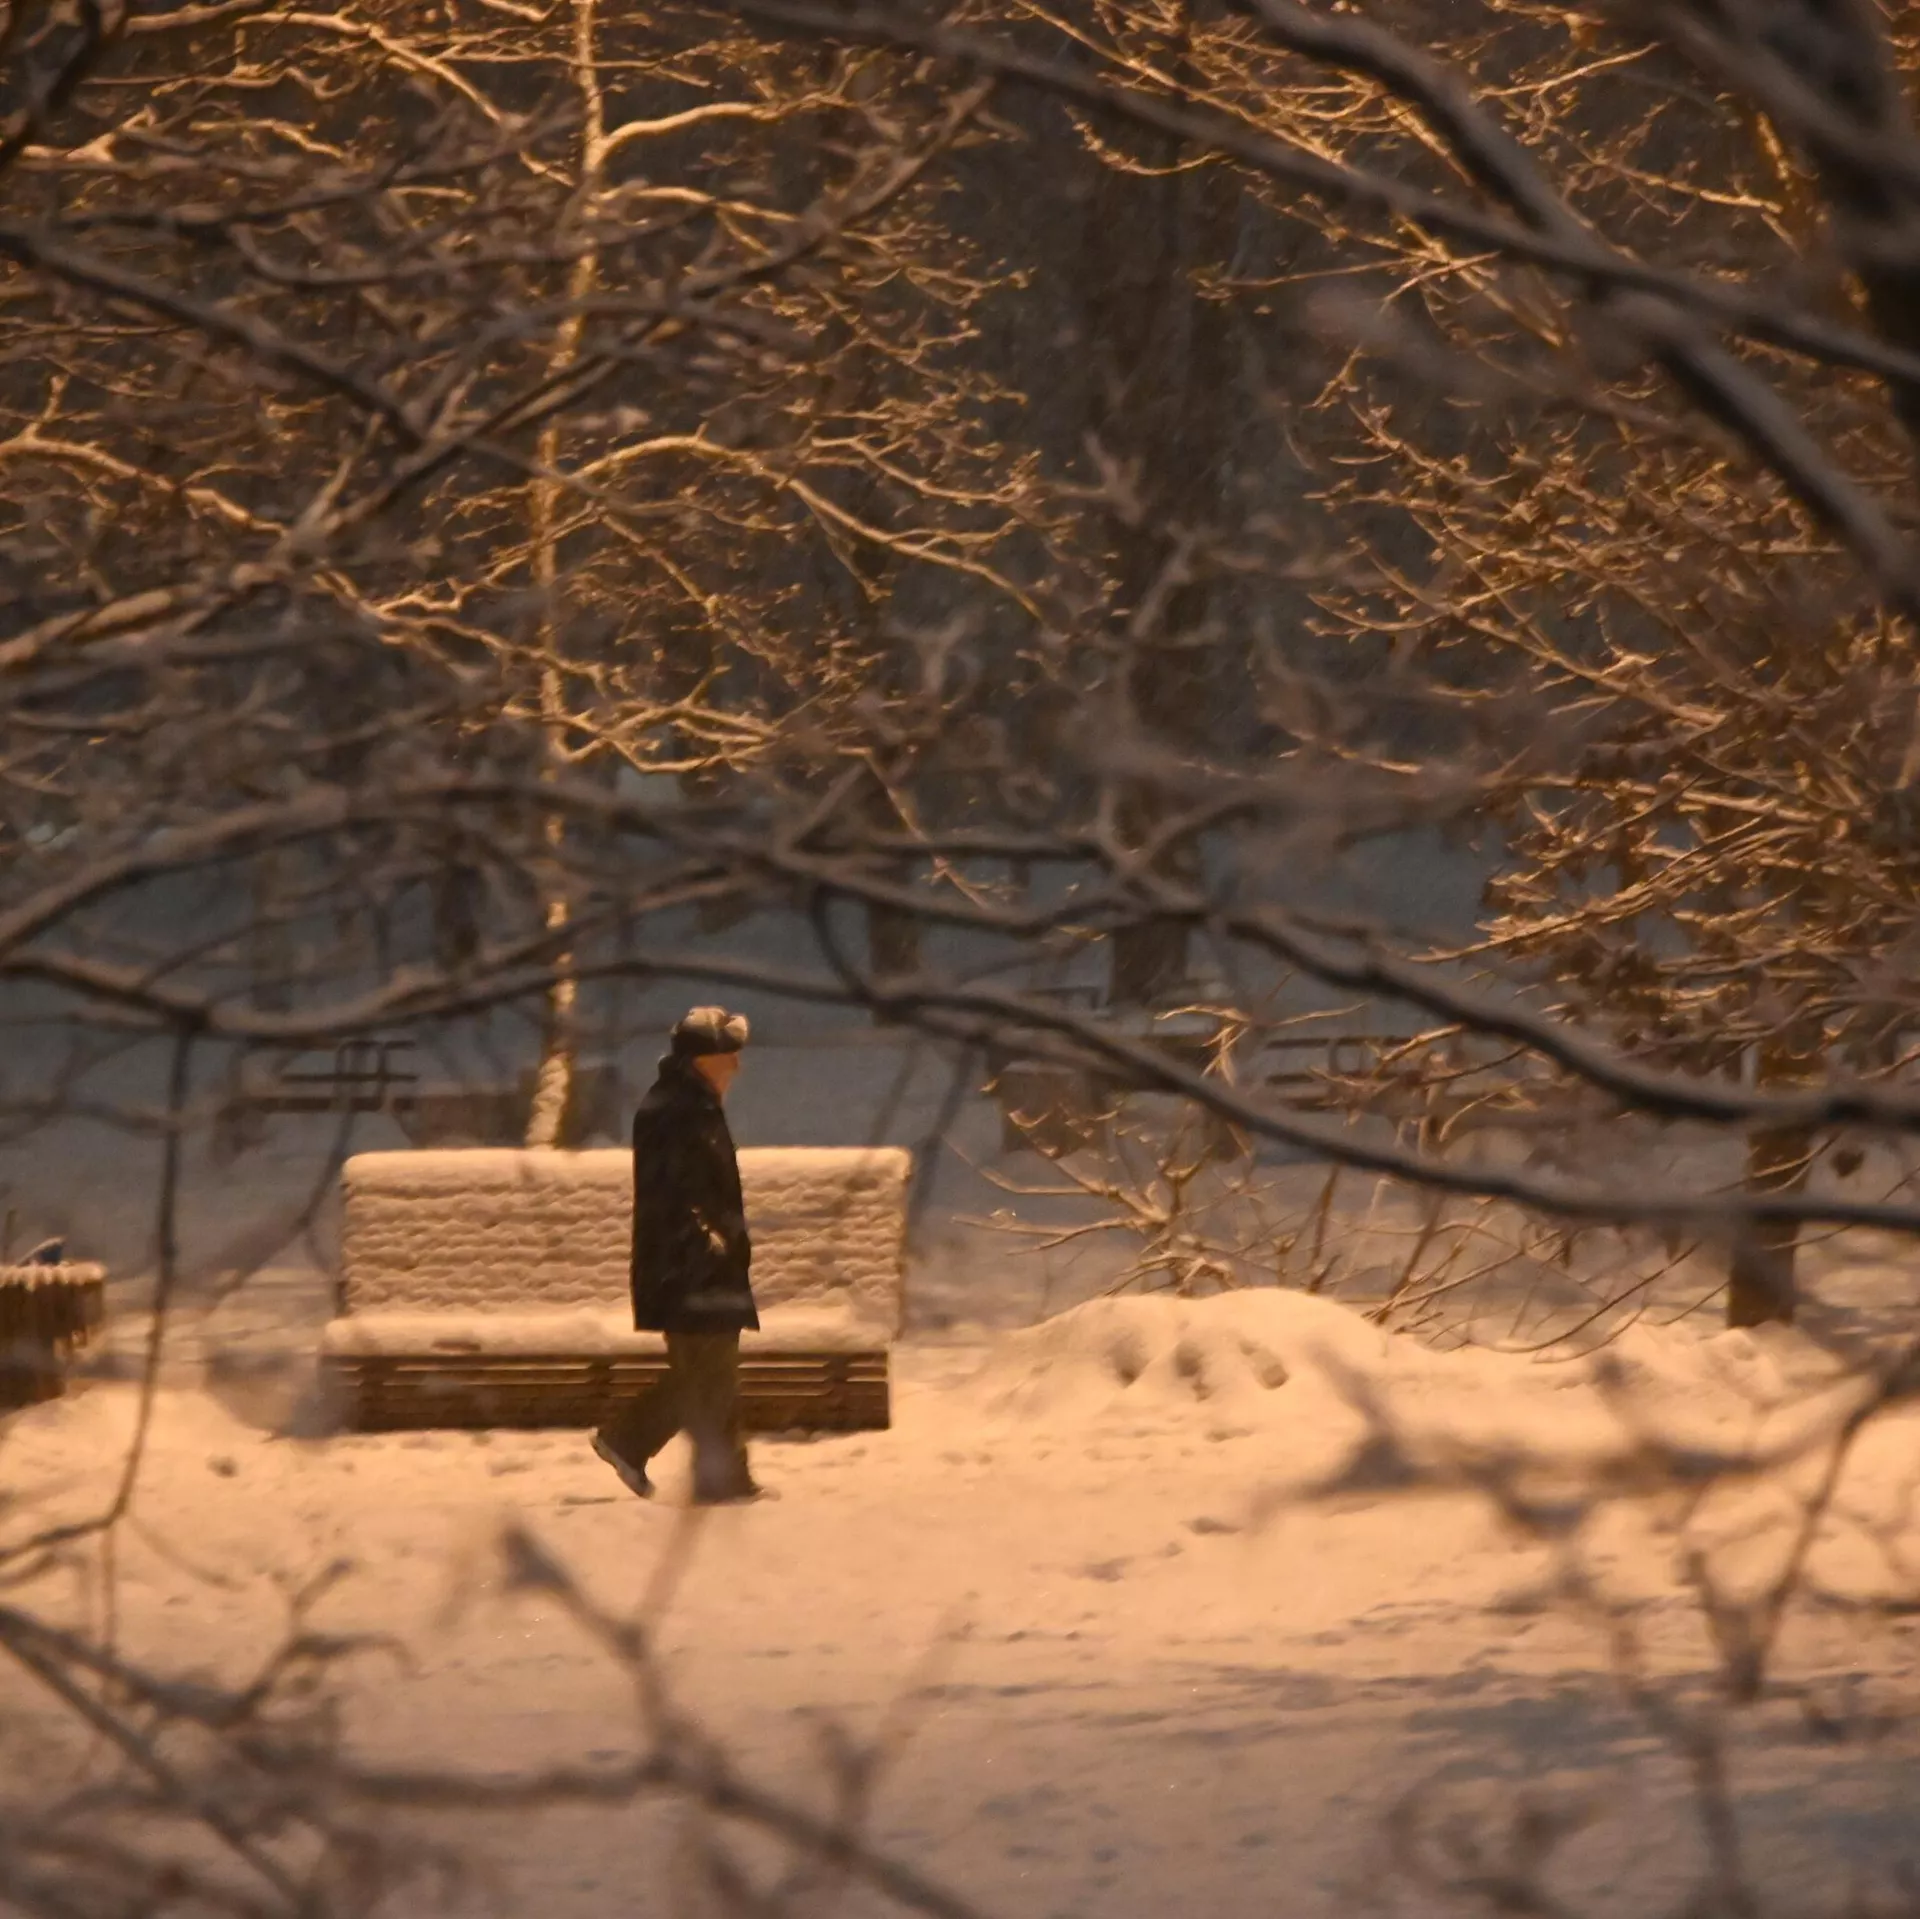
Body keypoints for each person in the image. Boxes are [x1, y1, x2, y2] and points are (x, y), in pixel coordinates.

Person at [592, 1006, 766, 1503]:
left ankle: (713, 1472)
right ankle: (645, 1447)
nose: (737, 1067)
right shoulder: (677, 1111)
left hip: (702, 1265)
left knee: (712, 1374)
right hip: (688, 1270)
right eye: (729, 1056)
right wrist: (708, 1245)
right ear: (703, 1059)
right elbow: (677, 1196)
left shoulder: (692, 1104)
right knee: (707, 1377)